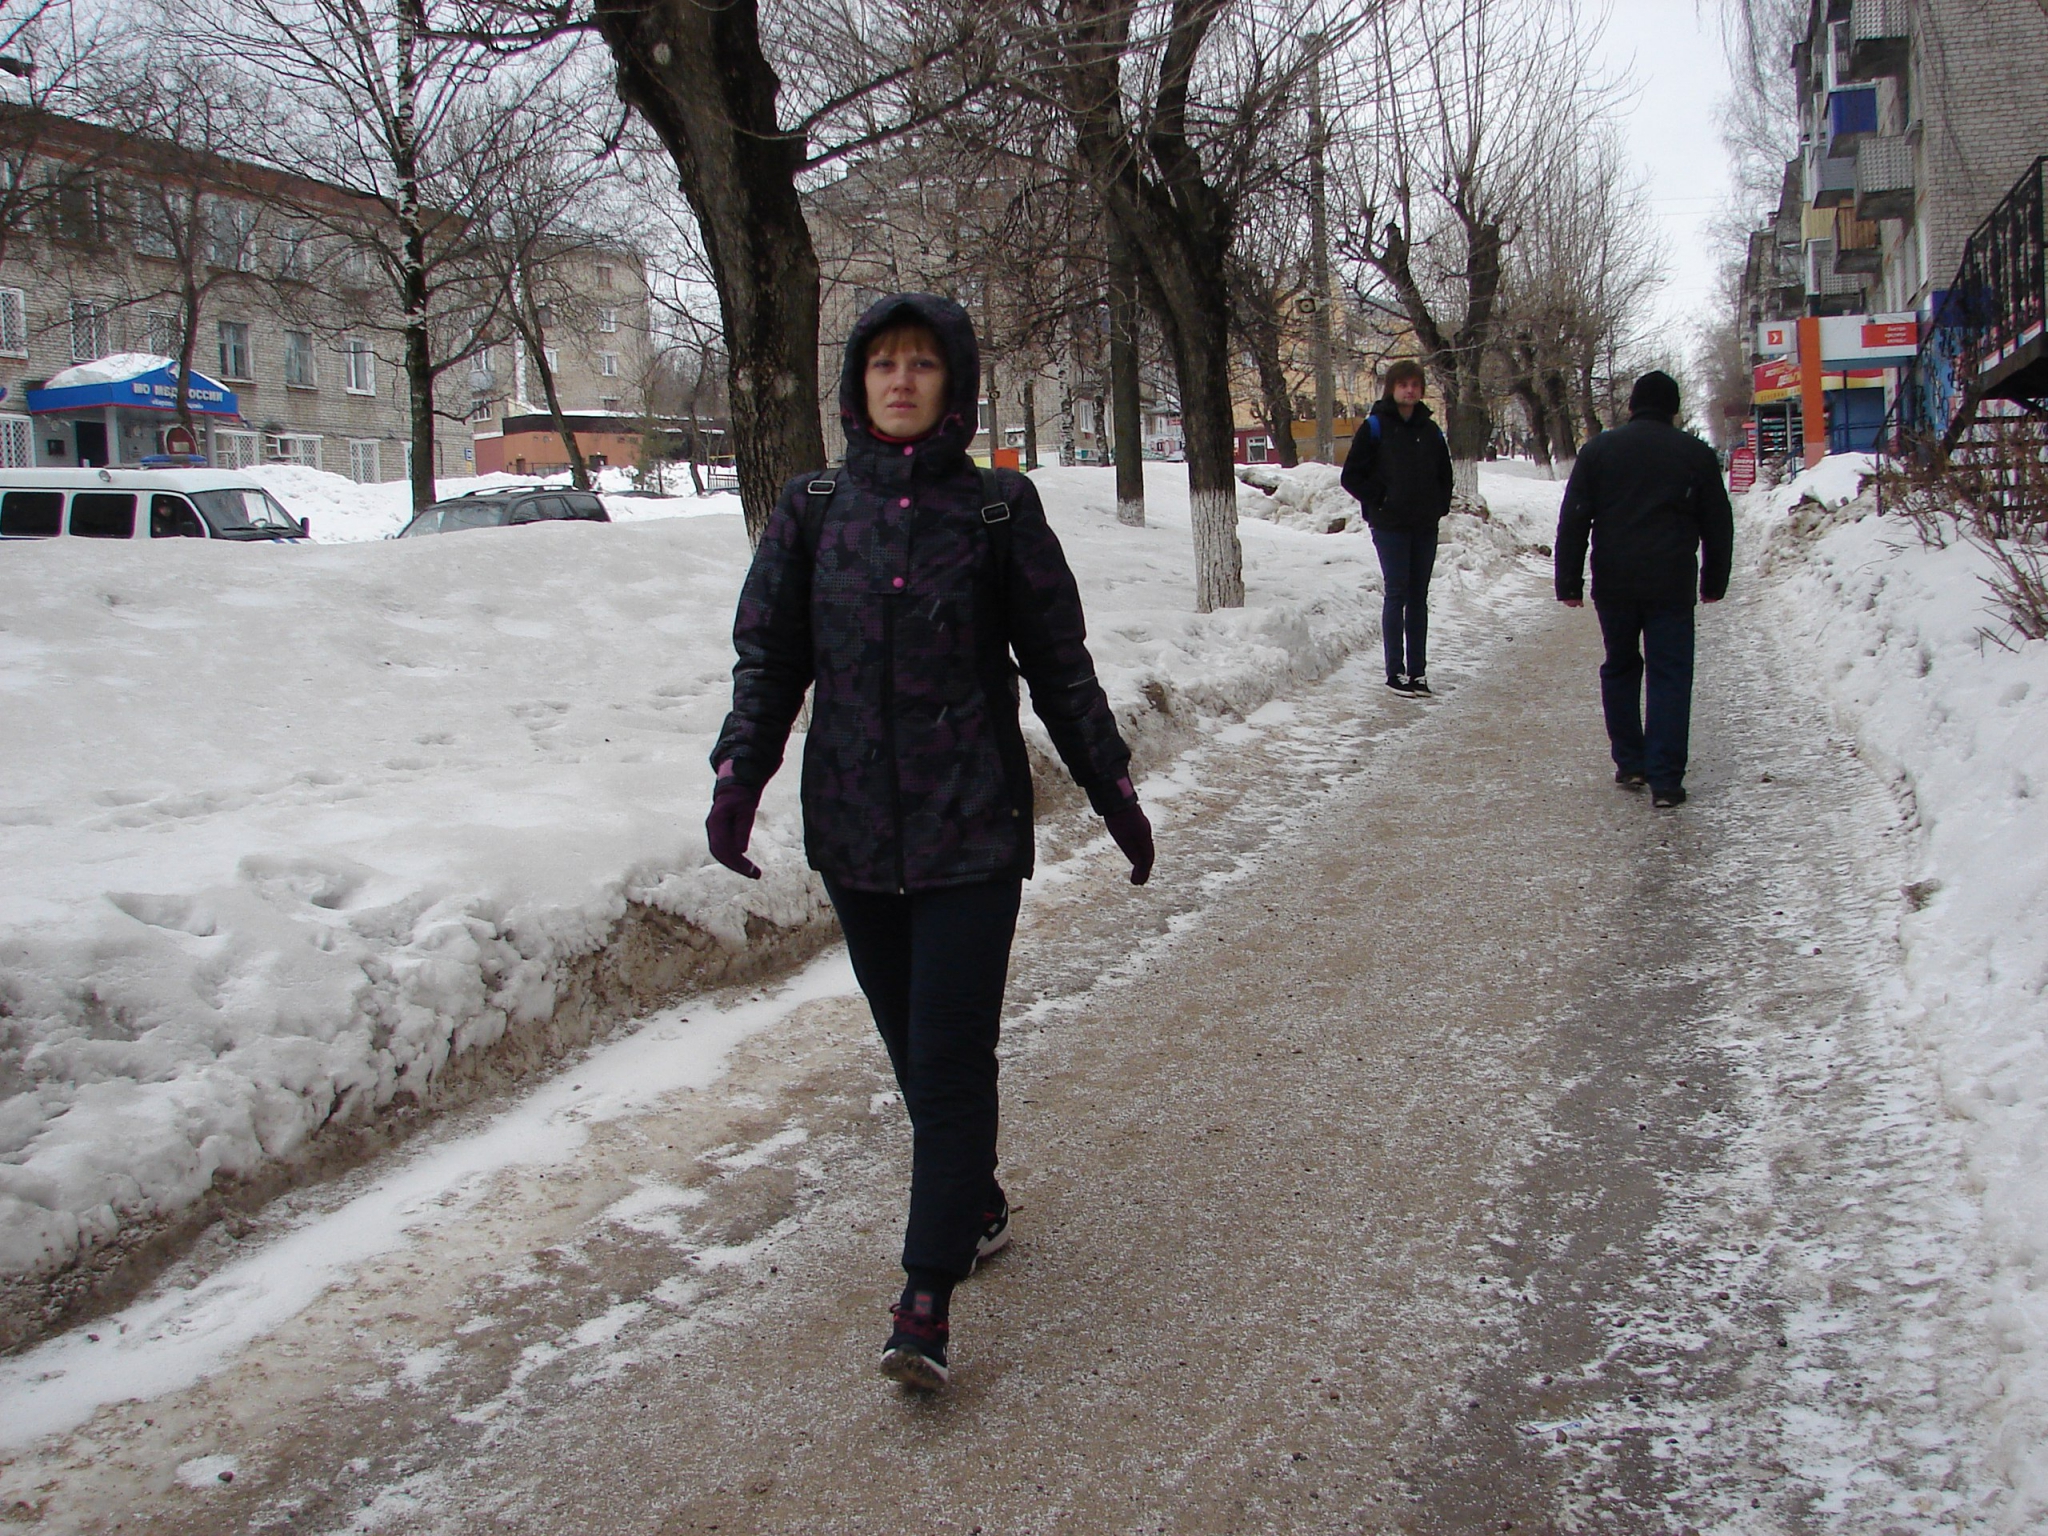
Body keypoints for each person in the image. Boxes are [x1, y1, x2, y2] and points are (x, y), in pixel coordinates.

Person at [704, 293, 1154, 1392]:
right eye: (880, 366)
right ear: (856, 385)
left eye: (921, 365)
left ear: (951, 382)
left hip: (970, 833)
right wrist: (737, 776)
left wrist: (1112, 790)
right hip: (854, 835)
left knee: (948, 1058)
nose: (899, 381)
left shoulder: (998, 510)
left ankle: (924, 1299)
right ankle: (976, 1198)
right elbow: (769, 664)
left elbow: (1059, 668)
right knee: (912, 1049)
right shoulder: (811, 510)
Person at [1553, 370, 1734, 809]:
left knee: (1620, 666)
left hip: (1614, 581)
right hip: (1671, 582)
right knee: (1670, 674)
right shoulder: (1695, 454)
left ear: (1632, 405)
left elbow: (1575, 518)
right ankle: (1666, 780)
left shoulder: (1599, 451)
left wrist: (1569, 582)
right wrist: (1714, 581)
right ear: (1673, 409)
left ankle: (1631, 761)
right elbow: (1718, 524)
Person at [1340, 358, 1454, 697]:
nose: (1410, 390)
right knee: (1397, 592)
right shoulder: (1375, 426)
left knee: (1419, 597)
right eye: (1403, 384)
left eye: (1416, 385)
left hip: (1424, 525)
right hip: (1390, 526)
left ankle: (1418, 673)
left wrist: (1438, 506)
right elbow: (1351, 476)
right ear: (1392, 388)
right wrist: (1382, 499)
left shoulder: (1430, 430)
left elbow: (1444, 474)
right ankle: (1396, 672)